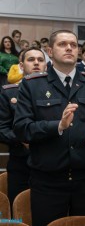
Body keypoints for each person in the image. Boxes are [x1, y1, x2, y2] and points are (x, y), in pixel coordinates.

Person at [13, 30, 85, 226]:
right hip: (48, 180)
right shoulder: (32, 85)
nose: (69, 48)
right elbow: (22, 128)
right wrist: (57, 126)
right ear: (50, 51)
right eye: (62, 44)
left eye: (73, 45)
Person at [0, 47, 46, 208]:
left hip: (51, 163)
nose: (36, 63)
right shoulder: (8, 93)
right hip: (21, 163)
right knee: (19, 211)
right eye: (31, 60)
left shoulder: (57, 92)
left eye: (40, 60)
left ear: (46, 66)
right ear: (21, 65)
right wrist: (23, 139)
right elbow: (2, 128)